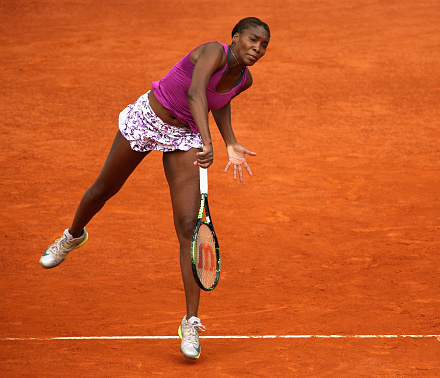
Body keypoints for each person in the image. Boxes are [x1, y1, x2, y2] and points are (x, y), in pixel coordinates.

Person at [39, 17, 270, 360]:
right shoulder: (213, 52)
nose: (258, 48)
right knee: (105, 189)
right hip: (150, 118)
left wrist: (230, 141)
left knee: (189, 227)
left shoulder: (244, 79)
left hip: (185, 138)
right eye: (252, 40)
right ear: (235, 38)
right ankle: (73, 235)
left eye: (264, 45)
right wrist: (209, 143)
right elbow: (195, 92)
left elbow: (220, 101)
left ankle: (190, 322)